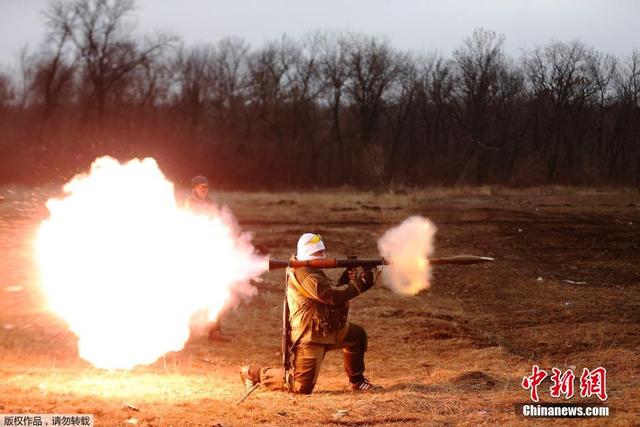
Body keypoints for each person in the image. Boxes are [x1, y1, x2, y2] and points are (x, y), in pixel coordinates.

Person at [240, 233, 377, 394]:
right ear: (307, 255)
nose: (322, 256)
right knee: (300, 387)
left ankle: (357, 381)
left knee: (357, 336)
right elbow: (332, 297)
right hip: (310, 336)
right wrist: (361, 284)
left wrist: (345, 279)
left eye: (322, 252)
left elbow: (325, 293)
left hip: (327, 328)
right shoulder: (304, 273)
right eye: (318, 254)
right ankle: (253, 373)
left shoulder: (311, 269)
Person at [184, 175, 228, 342]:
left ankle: (214, 331)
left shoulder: (210, 202)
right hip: (195, 252)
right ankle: (185, 330)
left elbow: (218, 219)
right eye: (201, 187)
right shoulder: (190, 203)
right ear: (194, 188)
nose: (204, 189)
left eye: (206, 187)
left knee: (217, 290)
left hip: (211, 249)